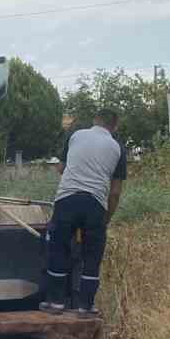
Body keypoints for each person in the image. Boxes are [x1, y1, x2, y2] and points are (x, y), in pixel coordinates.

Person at [40, 108, 127, 317]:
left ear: (94, 120)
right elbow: (115, 192)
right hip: (95, 205)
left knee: (58, 249)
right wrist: (106, 219)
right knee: (92, 255)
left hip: (67, 200)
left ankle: (56, 303)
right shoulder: (118, 148)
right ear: (115, 126)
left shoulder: (76, 135)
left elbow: (60, 168)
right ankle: (85, 307)